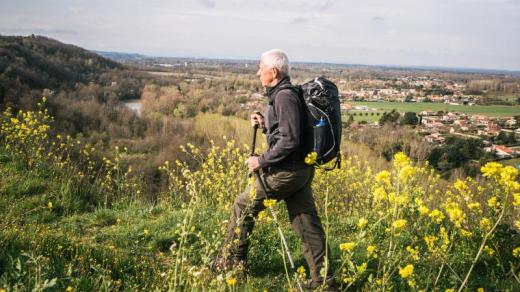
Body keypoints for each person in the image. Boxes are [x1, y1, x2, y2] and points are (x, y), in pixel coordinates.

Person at [215, 49, 335, 290]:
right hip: (299, 171)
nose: (258, 72)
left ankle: (232, 265)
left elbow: (290, 141)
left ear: (274, 71)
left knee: (243, 205)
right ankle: (325, 283)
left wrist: (261, 161)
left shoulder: (284, 97)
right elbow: (287, 132)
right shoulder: (285, 94)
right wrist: (265, 124)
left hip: (287, 172)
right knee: (306, 224)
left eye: (261, 67)